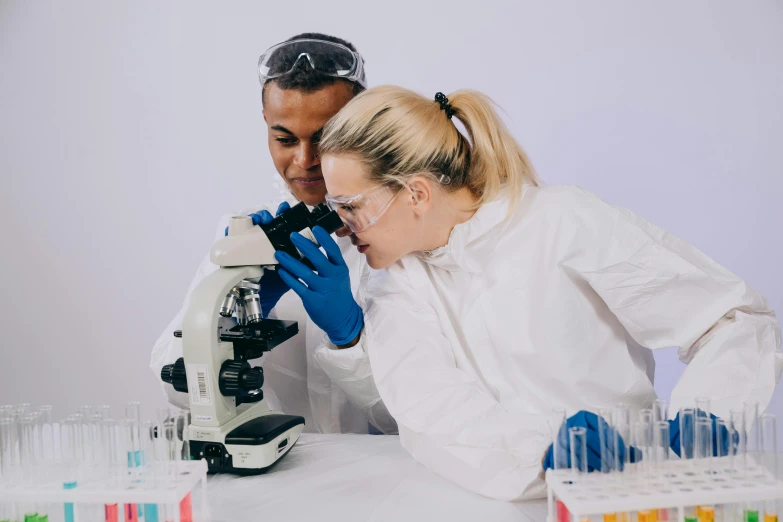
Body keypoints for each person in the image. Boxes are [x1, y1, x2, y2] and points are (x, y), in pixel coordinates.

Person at [274, 85, 782, 500]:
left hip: (635, 495)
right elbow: (429, 410)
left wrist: (710, 411)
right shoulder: (396, 283)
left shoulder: (562, 221)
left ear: (417, 193)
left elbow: (731, 318)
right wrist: (544, 447)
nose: (340, 227)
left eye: (350, 206)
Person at [151, 33, 397, 435]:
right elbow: (175, 389)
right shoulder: (246, 234)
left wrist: (350, 338)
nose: (304, 160)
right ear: (265, 122)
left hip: (380, 484)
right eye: (285, 139)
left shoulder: (402, 236)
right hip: (278, 478)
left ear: (361, 125)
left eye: (325, 137)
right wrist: (225, 320)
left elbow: (413, 421)